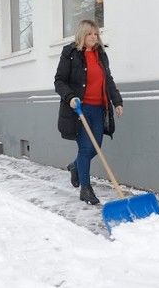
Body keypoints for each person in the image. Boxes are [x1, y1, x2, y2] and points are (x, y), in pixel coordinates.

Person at [54, 20, 124, 205]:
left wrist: (117, 101)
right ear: (81, 35)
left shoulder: (101, 54)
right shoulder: (70, 54)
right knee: (85, 148)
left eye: (96, 33)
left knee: (96, 147)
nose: (94, 37)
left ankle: (75, 166)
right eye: (89, 34)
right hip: (80, 109)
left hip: (99, 108)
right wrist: (70, 97)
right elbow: (59, 81)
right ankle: (85, 189)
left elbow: (108, 79)